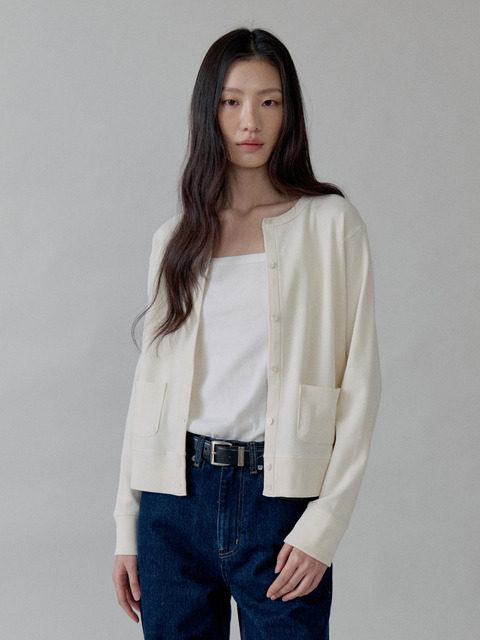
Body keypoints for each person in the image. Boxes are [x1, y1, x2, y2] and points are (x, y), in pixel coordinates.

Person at [112, 27, 381, 640]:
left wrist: (325, 525)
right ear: (209, 112)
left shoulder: (331, 226)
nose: (250, 121)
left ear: (290, 112)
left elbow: (360, 385)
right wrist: (127, 525)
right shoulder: (175, 239)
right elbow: (148, 392)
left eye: (269, 101)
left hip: (279, 506)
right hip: (172, 502)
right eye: (232, 101)